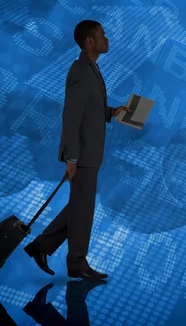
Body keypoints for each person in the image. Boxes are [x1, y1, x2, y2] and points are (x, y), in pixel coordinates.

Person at [24, 20, 130, 279]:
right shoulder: (82, 70)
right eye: (102, 35)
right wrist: (71, 157)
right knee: (82, 210)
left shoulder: (91, 68)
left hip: (89, 153)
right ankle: (77, 263)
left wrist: (111, 112)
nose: (107, 39)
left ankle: (41, 246)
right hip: (82, 154)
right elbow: (71, 117)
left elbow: (89, 110)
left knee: (79, 207)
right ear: (89, 41)